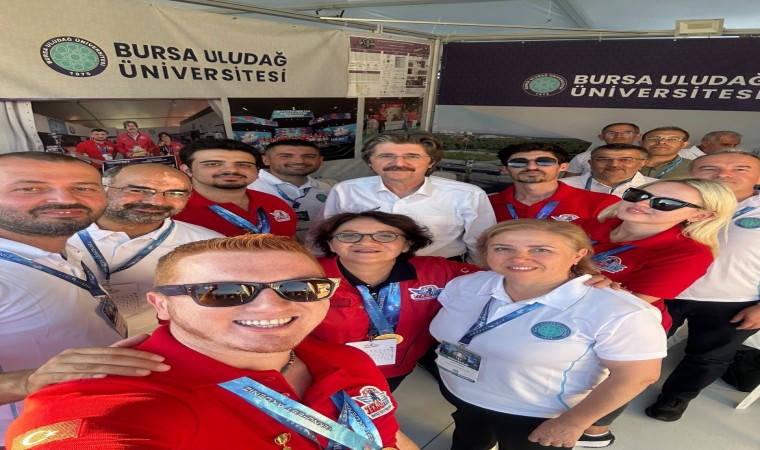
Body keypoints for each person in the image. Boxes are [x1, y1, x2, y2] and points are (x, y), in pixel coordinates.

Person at [7, 235, 417, 450]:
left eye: (301, 288)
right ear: (161, 305)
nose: (272, 305)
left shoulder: (346, 359)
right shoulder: (113, 395)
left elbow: (386, 436)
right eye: (223, 292)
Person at [430, 219, 666, 450]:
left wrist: (573, 423)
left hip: (537, 414)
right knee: (470, 440)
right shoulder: (467, 285)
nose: (519, 258)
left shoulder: (619, 310)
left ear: (578, 255)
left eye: (541, 250)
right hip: (460, 391)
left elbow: (637, 376)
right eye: (503, 248)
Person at [0, 152, 169, 442]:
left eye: (83, 188)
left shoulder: (62, 251)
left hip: (93, 421)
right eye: (29, 188)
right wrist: (24, 382)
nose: (65, 199)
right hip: (27, 437)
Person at [646, 151, 760, 422]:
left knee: (709, 357)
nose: (723, 174)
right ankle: (617, 388)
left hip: (735, 300)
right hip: (661, 291)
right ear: (692, 173)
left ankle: (676, 398)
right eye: (709, 168)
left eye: (740, 169)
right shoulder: (667, 201)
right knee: (640, 345)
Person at [309, 211, 481, 391]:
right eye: (349, 236)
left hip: (394, 368)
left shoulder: (438, 272)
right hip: (319, 370)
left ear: (407, 244)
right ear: (331, 244)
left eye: (385, 236)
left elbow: (495, 278)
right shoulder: (306, 274)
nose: (366, 242)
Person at [68, 164, 223, 335]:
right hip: (63, 341)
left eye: (175, 193)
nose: (157, 202)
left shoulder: (208, 245)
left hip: (154, 341)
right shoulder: (56, 235)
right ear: (101, 188)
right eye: (138, 190)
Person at [580, 178, 735, 332]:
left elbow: (626, 306)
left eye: (665, 203)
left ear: (700, 216)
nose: (641, 203)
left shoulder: (690, 254)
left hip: (619, 328)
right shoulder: (585, 225)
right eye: (637, 195)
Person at [320, 131, 495, 262]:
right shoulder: (346, 190)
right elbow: (327, 234)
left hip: (439, 270)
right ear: (370, 162)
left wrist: (477, 277)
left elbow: (480, 244)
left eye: (412, 156)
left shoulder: (467, 195)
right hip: (362, 267)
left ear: (431, 162)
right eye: (386, 156)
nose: (399, 163)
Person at [173, 138, 297, 238]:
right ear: (187, 170)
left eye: (243, 164)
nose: (232, 170)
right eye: (213, 164)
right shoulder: (172, 211)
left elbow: (291, 242)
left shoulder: (273, 202)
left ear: (257, 170)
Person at [489, 143, 619, 223]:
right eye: (518, 163)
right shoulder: (487, 203)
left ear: (563, 167)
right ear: (505, 169)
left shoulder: (604, 203)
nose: (532, 167)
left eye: (545, 161)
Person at [249, 139, 333, 242]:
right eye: (286, 156)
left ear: (321, 160)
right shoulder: (249, 188)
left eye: (309, 156)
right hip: (272, 251)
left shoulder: (327, 189)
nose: (299, 161)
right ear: (266, 160)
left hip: (322, 249)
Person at [561, 143, 657, 197]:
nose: (614, 164)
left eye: (625, 160)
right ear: (590, 163)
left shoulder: (658, 188)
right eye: (604, 159)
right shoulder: (561, 186)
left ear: (643, 163)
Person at [564, 123, 641, 177]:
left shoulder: (643, 157)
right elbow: (568, 183)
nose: (618, 136)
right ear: (601, 137)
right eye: (611, 133)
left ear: (638, 136)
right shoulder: (583, 157)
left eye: (626, 132)